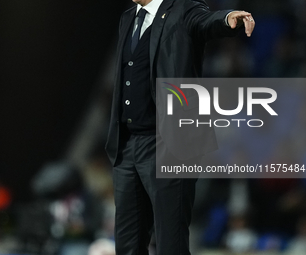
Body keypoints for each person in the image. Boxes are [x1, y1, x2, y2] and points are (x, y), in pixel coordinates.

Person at [105, 0, 255, 254]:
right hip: (128, 144)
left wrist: (228, 18)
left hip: (169, 143)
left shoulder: (183, 9)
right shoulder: (128, 18)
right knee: (127, 244)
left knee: (170, 240)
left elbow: (206, 21)